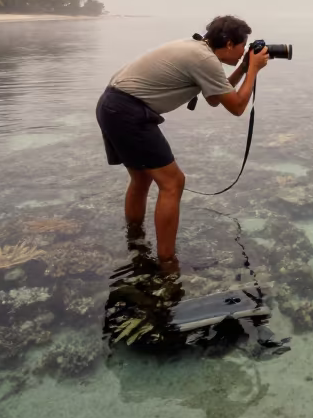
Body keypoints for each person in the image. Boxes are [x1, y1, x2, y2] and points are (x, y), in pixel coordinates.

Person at [96, 15, 268, 274]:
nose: (245, 51)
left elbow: (216, 98)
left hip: (112, 105)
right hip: (128, 112)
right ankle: (168, 263)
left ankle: (134, 239)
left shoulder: (197, 49)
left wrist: (244, 67)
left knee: (142, 179)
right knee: (173, 182)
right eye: (243, 47)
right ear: (230, 43)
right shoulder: (204, 59)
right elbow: (237, 106)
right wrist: (254, 69)